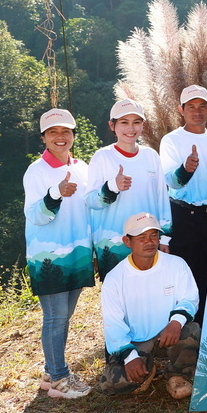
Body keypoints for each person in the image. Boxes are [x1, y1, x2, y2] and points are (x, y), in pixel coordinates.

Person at [25, 108, 94, 399]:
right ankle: (58, 378)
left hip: (77, 253)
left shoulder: (83, 167)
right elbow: (34, 214)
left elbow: (91, 207)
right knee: (55, 317)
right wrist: (56, 193)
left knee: (64, 317)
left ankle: (51, 371)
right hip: (49, 256)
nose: (60, 137)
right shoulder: (36, 171)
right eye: (53, 132)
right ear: (43, 137)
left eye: (66, 131)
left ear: (74, 135)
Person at [98, 212, 201, 399]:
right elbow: (113, 323)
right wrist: (130, 357)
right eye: (141, 237)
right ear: (127, 242)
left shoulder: (176, 264)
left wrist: (176, 322)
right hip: (134, 341)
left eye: (154, 235)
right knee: (111, 384)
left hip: (168, 335)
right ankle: (147, 366)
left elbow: (189, 298)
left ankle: (178, 374)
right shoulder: (114, 278)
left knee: (191, 330)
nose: (150, 241)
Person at [160, 84, 207, 324]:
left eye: (202, 106)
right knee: (186, 276)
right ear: (181, 110)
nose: (197, 111)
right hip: (183, 217)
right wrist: (186, 169)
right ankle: (185, 332)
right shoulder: (171, 141)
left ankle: (206, 330)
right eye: (191, 106)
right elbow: (170, 181)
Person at [87, 99, 171, 281]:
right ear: (112, 125)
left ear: (143, 125)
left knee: (149, 294)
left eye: (136, 122)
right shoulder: (102, 157)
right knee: (118, 298)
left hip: (148, 244)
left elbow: (162, 198)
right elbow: (90, 201)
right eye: (124, 122)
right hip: (112, 245)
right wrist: (111, 187)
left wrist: (164, 237)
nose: (130, 128)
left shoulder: (151, 156)